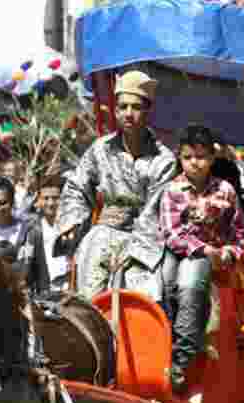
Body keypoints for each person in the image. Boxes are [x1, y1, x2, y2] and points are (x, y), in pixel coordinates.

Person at [57, 70, 179, 300]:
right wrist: (72, 222)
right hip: (103, 233)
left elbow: (155, 212)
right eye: (122, 107)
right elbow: (77, 186)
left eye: (136, 107)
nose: (128, 114)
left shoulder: (164, 160)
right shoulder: (100, 148)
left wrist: (132, 251)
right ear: (115, 111)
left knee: (146, 295)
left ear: (148, 111)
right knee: (88, 297)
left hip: (145, 239)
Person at [159, 125, 244, 393]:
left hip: (209, 256)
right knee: (161, 283)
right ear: (180, 158)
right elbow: (171, 232)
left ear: (212, 158)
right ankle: (162, 346)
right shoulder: (173, 190)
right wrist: (202, 249)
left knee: (190, 282)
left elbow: (240, 231)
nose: (194, 163)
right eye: (187, 157)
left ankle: (181, 361)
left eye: (200, 157)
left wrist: (228, 253)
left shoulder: (225, 190)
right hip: (179, 251)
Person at [0, 176, 50, 297]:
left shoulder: (31, 233)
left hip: (24, 304)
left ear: (12, 201)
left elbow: (42, 277)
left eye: (3, 203)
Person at [33, 175, 70, 292]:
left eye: (55, 198)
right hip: (44, 292)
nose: (50, 203)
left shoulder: (73, 226)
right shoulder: (33, 229)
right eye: (46, 198)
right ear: (38, 200)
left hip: (70, 290)